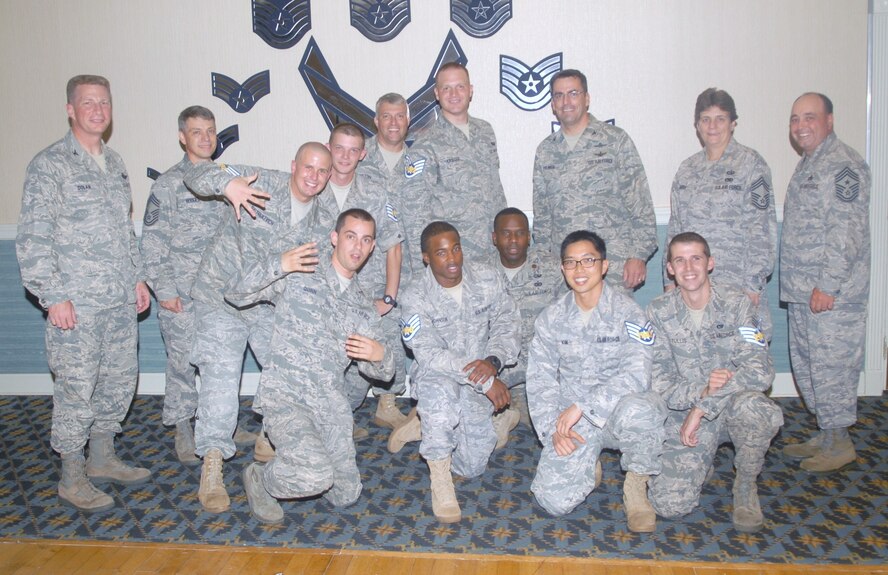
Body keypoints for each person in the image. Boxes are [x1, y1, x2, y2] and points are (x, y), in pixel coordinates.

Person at [16, 75, 151, 512]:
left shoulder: (115, 164)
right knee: (76, 388)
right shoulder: (50, 165)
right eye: (88, 103)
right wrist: (52, 296)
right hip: (76, 305)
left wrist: (137, 278)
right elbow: (33, 240)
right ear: (70, 109)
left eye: (104, 102)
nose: (98, 110)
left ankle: (102, 458)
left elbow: (123, 232)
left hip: (117, 301)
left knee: (117, 381)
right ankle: (71, 476)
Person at [182, 142, 335, 512]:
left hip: (265, 305)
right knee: (222, 375)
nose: (313, 177)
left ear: (330, 176)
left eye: (322, 171)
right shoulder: (261, 181)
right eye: (308, 167)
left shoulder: (324, 221)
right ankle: (213, 464)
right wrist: (226, 185)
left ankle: (270, 434)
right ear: (293, 164)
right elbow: (194, 174)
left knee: (289, 370)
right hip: (219, 297)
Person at [232, 209, 394, 525]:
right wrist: (277, 264)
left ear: (373, 247)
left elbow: (383, 374)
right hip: (287, 398)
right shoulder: (300, 272)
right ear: (334, 238)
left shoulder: (364, 307)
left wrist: (380, 355)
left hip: (330, 406)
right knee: (315, 475)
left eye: (365, 240)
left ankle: (301, 458)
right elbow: (234, 293)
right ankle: (261, 477)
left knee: (347, 493)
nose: (357, 247)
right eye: (350, 236)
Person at [526, 230, 665, 533]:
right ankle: (589, 461)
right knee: (552, 501)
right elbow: (540, 381)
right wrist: (552, 429)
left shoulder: (630, 313)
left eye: (588, 260)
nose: (579, 270)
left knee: (646, 408)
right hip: (572, 422)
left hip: (618, 413)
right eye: (571, 262)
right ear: (562, 269)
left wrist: (584, 405)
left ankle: (636, 486)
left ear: (604, 266)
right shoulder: (551, 318)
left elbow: (637, 374)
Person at [647, 232, 783, 532]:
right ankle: (702, 460)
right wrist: (701, 391)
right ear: (669, 268)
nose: (689, 267)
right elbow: (659, 382)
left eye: (696, 258)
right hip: (685, 416)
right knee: (668, 506)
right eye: (679, 260)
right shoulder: (657, 312)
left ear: (711, 262)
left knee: (761, 410)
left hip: (732, 406)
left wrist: (705, 404)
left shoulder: (738, 304)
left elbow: (761, 368)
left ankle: (746, 484)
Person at [395, 222, 520, 523]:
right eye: (441, 253)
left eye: (456, 249)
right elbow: (429, 354)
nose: (452, 259)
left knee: (471, 468)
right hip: (438, 375)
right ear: (426, 258)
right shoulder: (414, 296)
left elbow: (508, 323)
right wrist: (485, 379)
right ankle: (440, 479)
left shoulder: (487, 278)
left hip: (479, 378)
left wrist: (493, 360)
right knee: (440, 400)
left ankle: (437, 423)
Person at [780, 92, 871, 473]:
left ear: (829, 120)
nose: (801, 125)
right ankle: (827, 433)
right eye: (795, 118)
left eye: (810, 117)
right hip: (804, 292)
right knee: (811, 365)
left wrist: (828, 285)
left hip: (830, 295)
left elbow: (845, 234)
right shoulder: (809, 164)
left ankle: (840, 442)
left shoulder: (843, 165)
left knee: (832, 366)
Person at [139, 106, 229, 464]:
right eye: (197, 132)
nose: (206, 138)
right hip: (182, 295)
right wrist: (165, 291)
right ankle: (182, 427)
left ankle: (216, 424)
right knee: (182, 364)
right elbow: (152, 241)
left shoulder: (225, 180)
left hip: (219, 295)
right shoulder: (169, 184)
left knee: (217, 364)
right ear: (182, 137)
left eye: (210, 131)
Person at [664, 88, 777, 338]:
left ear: (733, 123)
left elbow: (761, 229)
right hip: (694, 287)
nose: (712, 126)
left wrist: (753, 284)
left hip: (739, 286)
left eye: (720, 118)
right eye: (705, 119)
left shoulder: (751, 164)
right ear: (697, 125)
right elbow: (675, 229)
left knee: (745, 361)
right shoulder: (687, 169)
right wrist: (669, 279)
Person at [532, 69, 656, 292]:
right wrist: (546, 263)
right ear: (552, 104)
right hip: (566, 273)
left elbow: (641, 205)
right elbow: (542, 218)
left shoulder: (615, 140)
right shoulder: (546, 151)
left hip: (613, 268)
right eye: (558, 95)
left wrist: (638, 255)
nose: (566, 101)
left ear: (586, 98)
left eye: (573, 93)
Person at [326, 122, 409, 431]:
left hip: (369, 293)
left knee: (387, 345)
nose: (345, 157)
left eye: (353, 150)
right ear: (328, 148)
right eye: (339, 148)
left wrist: (389, 297)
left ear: (362, 154)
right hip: (327, 294)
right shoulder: (314, 187)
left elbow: (393, 245)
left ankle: (387, 402)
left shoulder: (375, 192)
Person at [400, 63, 507, 263]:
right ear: (437, 94)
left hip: (492, 253)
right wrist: (423, 266)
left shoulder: (485, 131)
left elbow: (496, 188)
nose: (454, 93)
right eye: (446, 88)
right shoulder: (425, 145)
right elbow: (414, 211)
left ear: (470, 90)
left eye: (460, 86)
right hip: (452, 257)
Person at [484, 207, 564, 434]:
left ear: (529, 237)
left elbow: (569, 319)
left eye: (519, 233)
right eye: (506, 233)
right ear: (494, 238)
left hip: (542, 363)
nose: (513, 240)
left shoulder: (552, 267)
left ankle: (520, 405)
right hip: (498, 363)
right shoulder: (478, 272)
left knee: (561, 420)